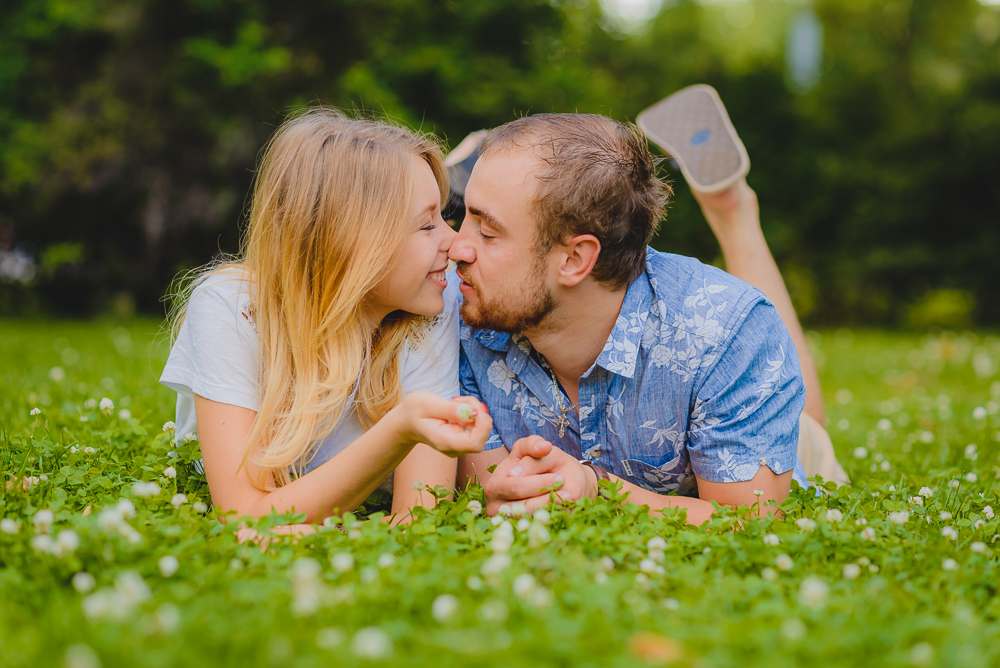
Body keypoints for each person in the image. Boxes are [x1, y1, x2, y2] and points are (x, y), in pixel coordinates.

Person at [450, 111, 846, 524]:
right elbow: (492, 495)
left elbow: (749, 518)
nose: (455, 248)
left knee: (805, 427)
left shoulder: (725, 332)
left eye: (488, 233)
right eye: (463, 219)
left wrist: (595, 490)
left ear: (574, 258)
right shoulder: (456, 309)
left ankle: (733, 209)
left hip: (763, 424)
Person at [160, 108, 492, 533]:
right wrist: (399, 430)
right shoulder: (232, 308)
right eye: (427, 225)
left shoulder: (429, 305)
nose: (456, 243)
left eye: (444, 217)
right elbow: (244, 516)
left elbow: (418, 518)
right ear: (352, 243)